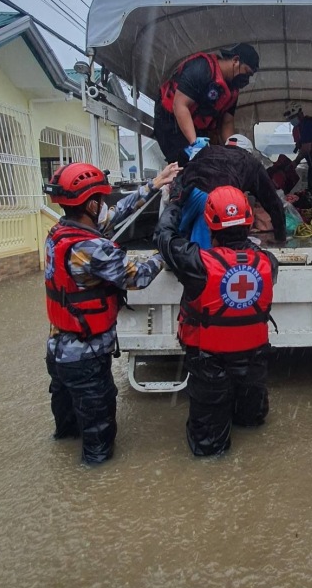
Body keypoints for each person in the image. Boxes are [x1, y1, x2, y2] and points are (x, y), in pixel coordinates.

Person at [43, 161, 180, 464]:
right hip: (86, 358)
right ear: (92, 204)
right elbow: (138, 276)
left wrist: (155, 185)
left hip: (58, 351)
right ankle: (92, 494)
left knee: (67, 430)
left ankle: (65, 484)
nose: (106, 205)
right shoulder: (93, 248)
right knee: (98, 443)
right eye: (102, 200)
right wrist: (168, 248)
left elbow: (117, 216)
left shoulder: (59, 234)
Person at [154, 186, 278, 456]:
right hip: (253, 360)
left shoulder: (195, 263)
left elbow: (164, 237)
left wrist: (175, 202)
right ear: (249, 221)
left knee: (209, 448)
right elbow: (241, 260)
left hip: (209, 361)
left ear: (209, 223)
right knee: (251, 423)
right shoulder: (269, 262)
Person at [153, 42, 260, 163]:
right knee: (186, 165)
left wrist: (232, 151)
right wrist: (195, 144)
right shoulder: (201, 69)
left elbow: (227, 122)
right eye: (247, 72)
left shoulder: (232, 91)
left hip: (197, 126)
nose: (247, 79)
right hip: (170, 122)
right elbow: (180, 105)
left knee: (211, 163)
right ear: (235, 60)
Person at [176, 140, 286, 243]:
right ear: (249, 151)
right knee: (206, 248)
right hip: (218, 201)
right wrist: (280, 238)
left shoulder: (208, 150)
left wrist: (176, 198)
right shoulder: (251, 163)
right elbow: (273, 203)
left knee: (178, 233)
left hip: (193, 193)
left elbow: (184, 173)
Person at [283, 101, 312, 208]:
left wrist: (296, 162)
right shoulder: (300, 127)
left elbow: (306, 148)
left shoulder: (307, 124)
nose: (291, 120)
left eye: (293, 117)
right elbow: (302, 146)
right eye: (290, 118)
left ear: (300, 114)